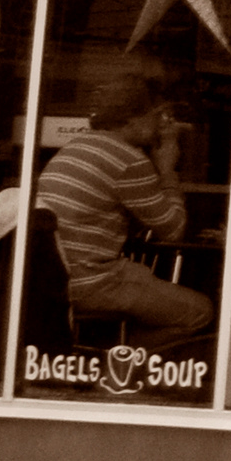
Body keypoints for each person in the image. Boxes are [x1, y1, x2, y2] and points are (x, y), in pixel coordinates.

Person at [38, 58, 212, 354]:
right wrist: (167, 168)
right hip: (93, 283)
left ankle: (109, 353)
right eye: (158, 116)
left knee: (146, 287)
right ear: (132, 118)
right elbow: (173, 230)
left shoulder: (77, 146)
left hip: (56, 278)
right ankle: (119, 364)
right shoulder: (129, 161)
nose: (162, 124)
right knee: (200, 311)